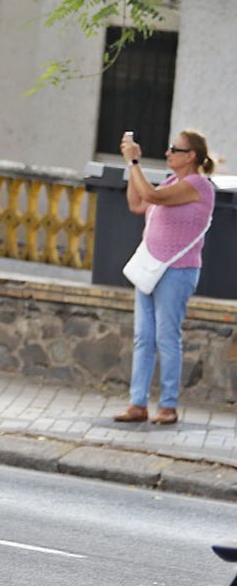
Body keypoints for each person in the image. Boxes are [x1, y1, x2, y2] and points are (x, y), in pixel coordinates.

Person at [115, 129, 219, 426]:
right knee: (143, 337)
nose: (168, 153)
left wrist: (135, 163)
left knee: (166, 337)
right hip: (151, 268)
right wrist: (130, 166)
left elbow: (151, 196)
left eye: (175, 149)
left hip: (178, 270)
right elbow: (138, 204)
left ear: (191, 156)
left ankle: (168, 405)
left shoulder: (198, 185)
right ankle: (137, 403)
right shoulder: (172, 182)